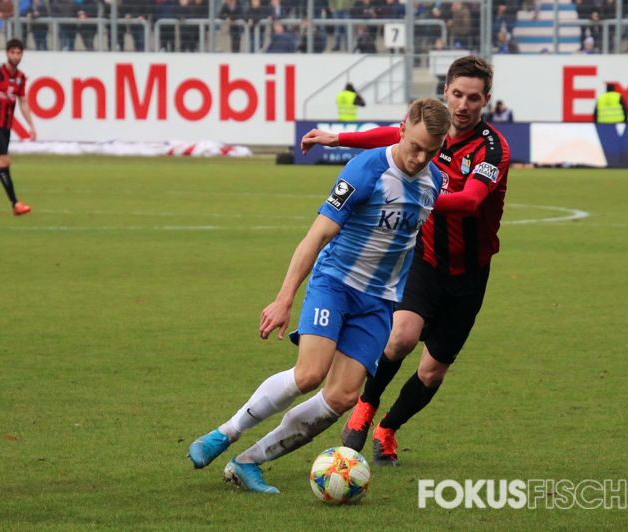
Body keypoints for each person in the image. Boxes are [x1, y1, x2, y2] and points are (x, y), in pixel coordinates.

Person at [187, 98, 450, 493]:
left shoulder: (435, 181)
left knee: (343, 397)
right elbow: (317, 236)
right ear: (401, 130)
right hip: (335, 283)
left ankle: (248, 462)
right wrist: (284, 298)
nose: (420, 159)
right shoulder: (365, 170)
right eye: (415, 147)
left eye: (432, 151)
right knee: (310, 373)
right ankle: (227, 432)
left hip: (379, 302)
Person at [301, 55, 511, 466]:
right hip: (424, 257)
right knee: (400, 338)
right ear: (445, 91)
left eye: (473, 98)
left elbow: (470, 201)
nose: (463, 105)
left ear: (486, 100)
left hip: (470, 271)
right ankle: (366, 406)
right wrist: (337, 138)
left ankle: (388, 427)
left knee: (432, 372)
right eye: (457, 94)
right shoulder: (432, 132)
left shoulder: (493, 149)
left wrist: (413, 198)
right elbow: (393, 135)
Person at [0, 39, 36, 216]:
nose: (15, 56)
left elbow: (22, 101)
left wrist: (31, 125)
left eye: (18, 53)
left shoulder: (20, 78)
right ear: (7, 53)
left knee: (3, 166)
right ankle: (15, 204)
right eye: (12, 52)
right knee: (4, 162)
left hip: (6, 127)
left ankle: (15, 205)